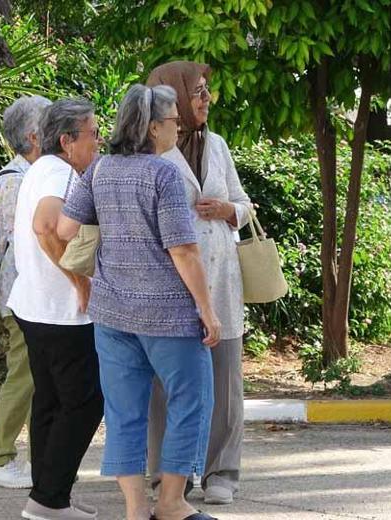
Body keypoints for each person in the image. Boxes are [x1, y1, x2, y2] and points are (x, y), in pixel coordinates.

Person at [58, 84, 221, 520]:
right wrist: (207, 309)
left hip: (112, 314)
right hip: (168, 313)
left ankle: (135, 510)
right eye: (173, 120)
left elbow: (65, 228)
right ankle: (170, 504)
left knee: (124, 411)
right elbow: (183, 250)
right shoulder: (163, 174)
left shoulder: (100, 170)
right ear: (152, 127)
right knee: (191, 401)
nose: (179, 126)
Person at [145, 61, 252, 506]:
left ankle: (222, 471)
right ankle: (166, 477)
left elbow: (245, 204)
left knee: (225, 383)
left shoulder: (219, 146)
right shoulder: (149, 151)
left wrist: (229, 210)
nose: (206, 100)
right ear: (173, 98)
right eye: (198, 93)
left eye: (207, 92)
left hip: (220, 277)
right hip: (172, 280)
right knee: (165, 385)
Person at [7, 98, 104, 520]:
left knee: (49, 401)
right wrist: (80, 279)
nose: (99, 142)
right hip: (61, 312)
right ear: (67, 141)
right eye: (93, 134)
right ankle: (48, 500)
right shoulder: (61, 173)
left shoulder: (41, 169)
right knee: (83, 403)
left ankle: (47, 496)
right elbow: (46, 225)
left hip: (37, 307)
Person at [0, 95, 52, 489]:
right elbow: (16, 242)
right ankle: (0, 458)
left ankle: (28, 457)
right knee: (22, 375)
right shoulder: (15, 179)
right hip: (22, 295)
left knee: (37, 376)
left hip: (34, 294)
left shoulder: (38, 174)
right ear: (33, 136)